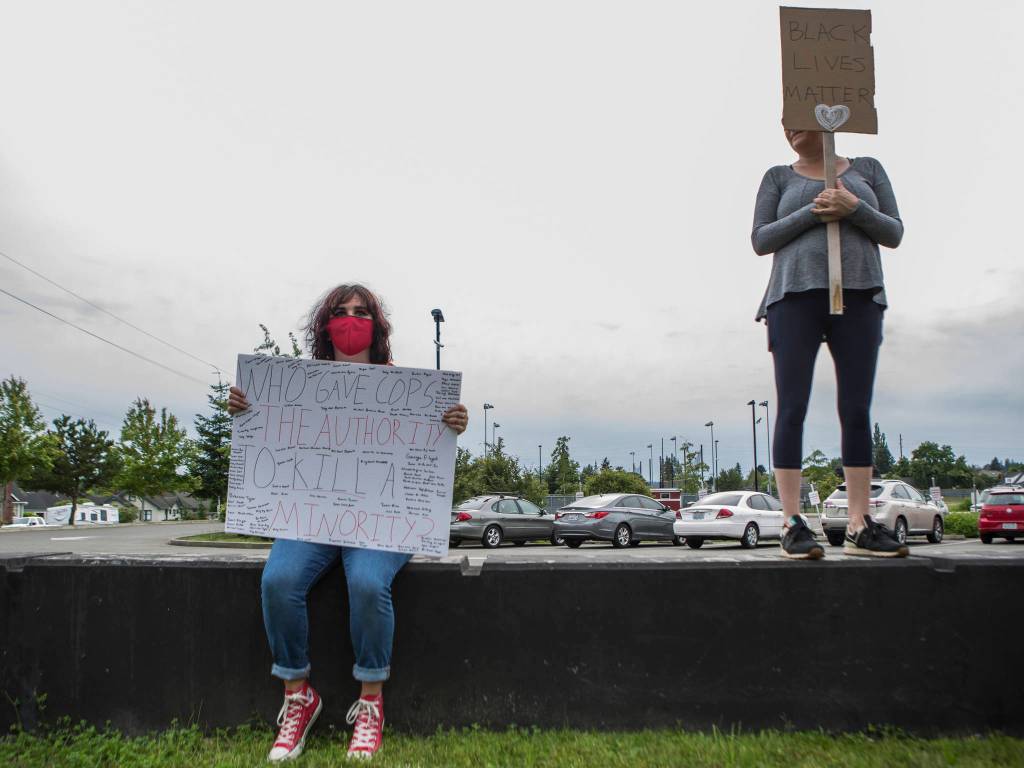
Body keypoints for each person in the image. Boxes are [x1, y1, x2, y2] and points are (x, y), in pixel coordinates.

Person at [227, 283, 469, 761]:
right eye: (341, 312)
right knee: (278, 579)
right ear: (326, 324)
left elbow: (425, 455)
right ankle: (298, 696)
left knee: (366, 583)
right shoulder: (295, 384)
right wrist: (246, 409)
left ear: (376, 326)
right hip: (312, 517)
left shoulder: (406, 386)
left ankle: (371, 702)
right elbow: (271, 435)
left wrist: (453, 423)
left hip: (381, 522)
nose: (351, 320)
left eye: (361, 312)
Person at [751, 127, 907, 560]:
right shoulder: (778, 177)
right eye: (785, 124)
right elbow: (761, 239)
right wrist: (814, 212)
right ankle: (791, 521)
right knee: (792, 406)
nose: (791, 129)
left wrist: (853, 206)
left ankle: (859, 523)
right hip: (793, 297)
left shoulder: (868, 170)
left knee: (856, 409)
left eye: (800, 119)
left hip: (859, 294)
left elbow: (893, 232)